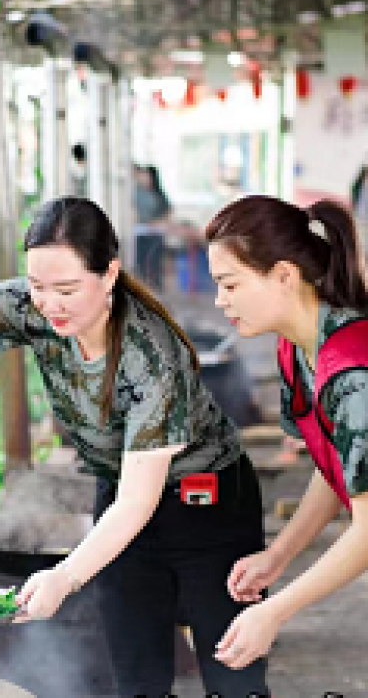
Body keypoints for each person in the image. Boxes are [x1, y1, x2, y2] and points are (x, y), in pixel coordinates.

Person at [0, 196, 270, 697]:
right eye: (37, 287)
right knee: (135, 675)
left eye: (67, 289)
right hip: (121, 494)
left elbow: (141, 502)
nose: (49, 304)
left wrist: (65, 577)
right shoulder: (37, 310)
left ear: (109, 274)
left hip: (205, 504)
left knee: (232, 674)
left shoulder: (150, 356)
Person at [206, 195, 368, 672]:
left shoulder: (353, 371)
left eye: (230, 284)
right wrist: (278, 555)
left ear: (283, 275)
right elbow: (336, 464)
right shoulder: (298, 349)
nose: (220, 300)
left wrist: (275, 610)